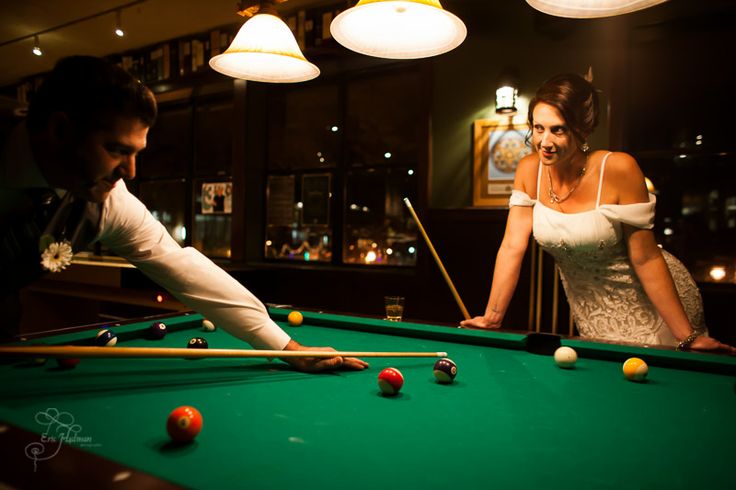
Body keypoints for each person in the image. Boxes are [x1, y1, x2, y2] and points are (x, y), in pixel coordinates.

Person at [0, 55, 369, 372]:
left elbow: (181, 267)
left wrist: (287, 348)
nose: (130, 171)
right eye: (115, 149)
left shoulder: (106, 201)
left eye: (137, 153)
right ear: (60, 130)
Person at [461, 73, 735, 353]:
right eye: (538, 128)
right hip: (592, 312)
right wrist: (492, 317)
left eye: (558, 130)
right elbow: (511, 247)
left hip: (652, 303)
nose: (544, 141)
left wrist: (687, 336)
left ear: (583, 130)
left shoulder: (618, 168)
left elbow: (646, 258)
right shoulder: (529, 170)